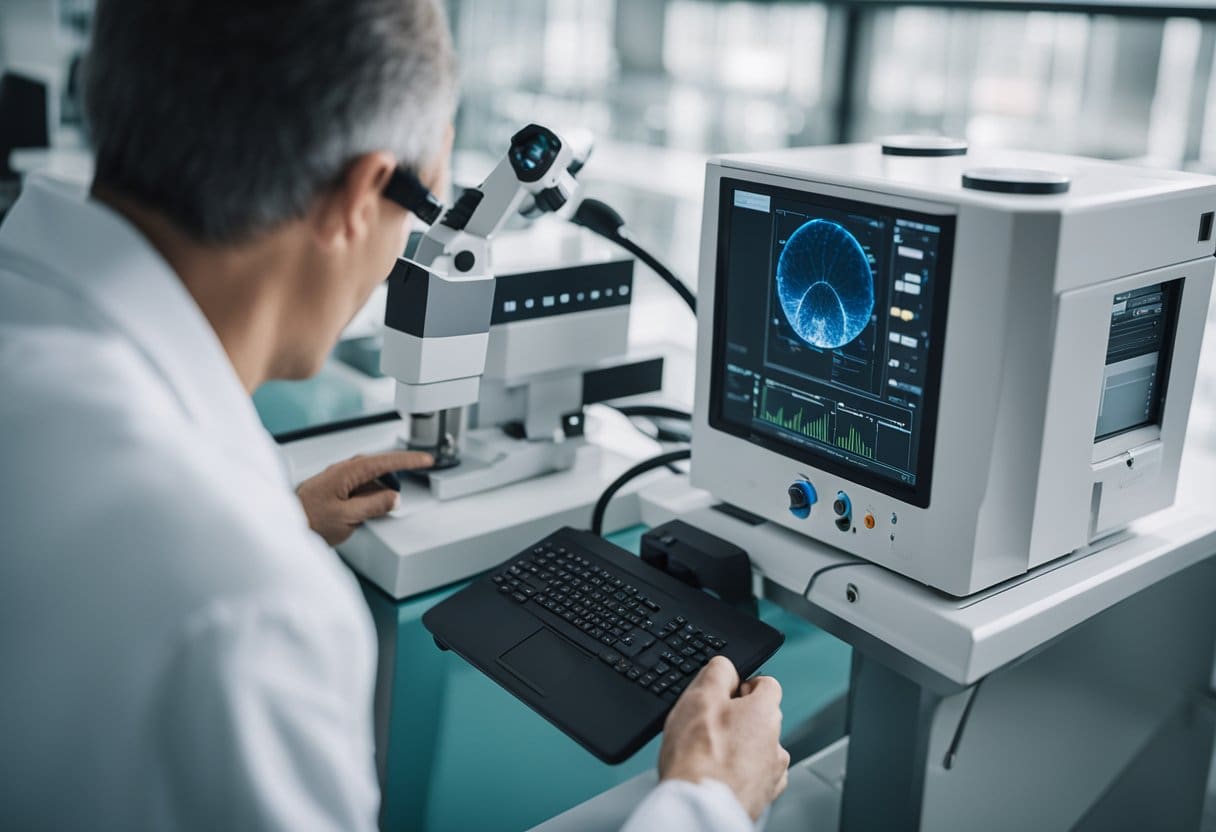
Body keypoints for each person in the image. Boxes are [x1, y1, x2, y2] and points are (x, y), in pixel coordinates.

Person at [0, 1, 789, 829]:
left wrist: (273, 514)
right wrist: (707, 804)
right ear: (361, 194)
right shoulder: (250, 601)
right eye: (422, 208)